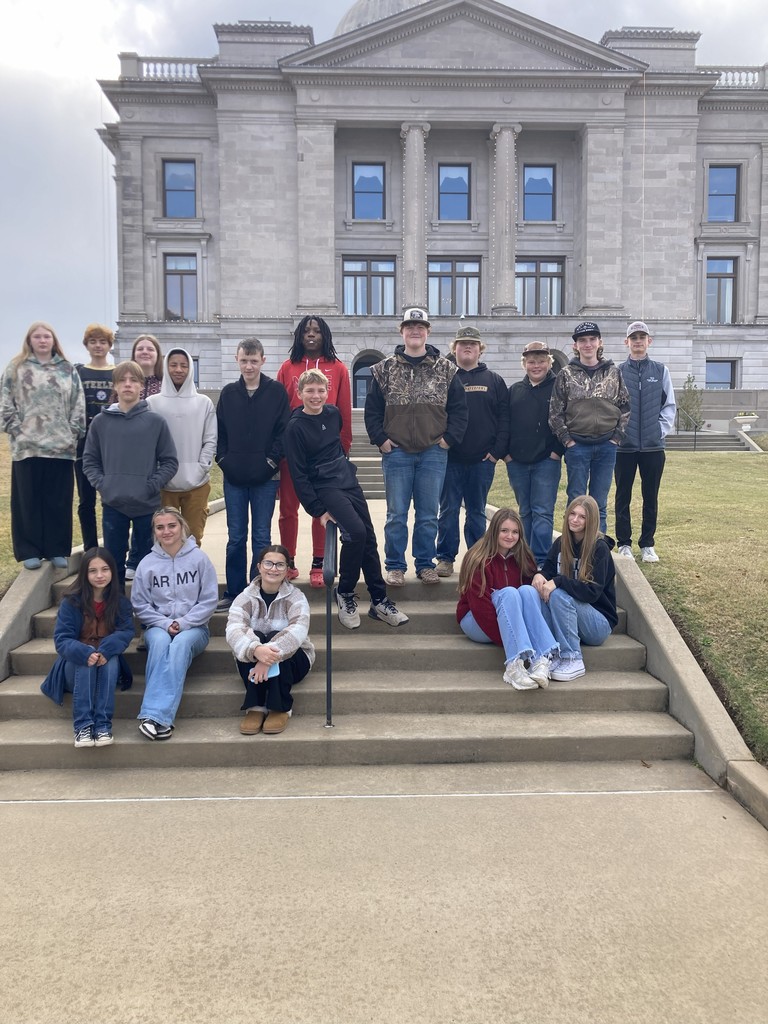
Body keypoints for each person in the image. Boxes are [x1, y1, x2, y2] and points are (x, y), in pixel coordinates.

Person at [284, 369, 408, 629]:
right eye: (310, 391)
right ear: (299, 393)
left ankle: (379, 600)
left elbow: (337, 445)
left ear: (327, 392)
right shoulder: (295, 427)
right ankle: (345, 593)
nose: (316, 396)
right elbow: (298, 474)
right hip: (325, 486)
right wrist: (317, 510)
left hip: (347, 479)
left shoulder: (333, 413)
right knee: (355, 533)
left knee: (369, 537)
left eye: (321, 390)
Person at [364, 307, 468, 586]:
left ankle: (424, 564)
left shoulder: (447, 369)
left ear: (428, 332)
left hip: (433, 452)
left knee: (428, 515)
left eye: (420, 326)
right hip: (396, 453)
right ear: (401, 331)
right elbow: (372, 411)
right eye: (409, 326)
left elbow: (460, 411)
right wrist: (381, 440)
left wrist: (447, 440)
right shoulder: (384, 369)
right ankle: (395, 566)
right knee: (396, 515)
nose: (415, 331)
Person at [83, 360, 178, 589]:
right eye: (122, 380)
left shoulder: (155, 422)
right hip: (113, 504)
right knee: (113, 564)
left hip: (147, 505)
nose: (128, 384)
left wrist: (151, 485)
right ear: (114, 386)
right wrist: (105, 485)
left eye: (133, 380)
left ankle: (148, 609)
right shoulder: (100, 422)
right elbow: (90, 461)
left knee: (149, 566)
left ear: (141, 386)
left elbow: (170, 461)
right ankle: (116, 608)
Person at [1, 321, 85, 570]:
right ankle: (30, 550)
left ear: (53, 340)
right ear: (29, 340)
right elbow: (5, 402)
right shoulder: (16, 368)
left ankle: (56, 549)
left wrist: (72, 433)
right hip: (28, 448)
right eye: (37, 336)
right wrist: (17, 431)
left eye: (46, 336)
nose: (42, 340)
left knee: (58, 502)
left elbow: (78, 403)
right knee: (28, 501)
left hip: (61, 448)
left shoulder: (67, 369)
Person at [277, 315, 352, 585]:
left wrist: (343, 450)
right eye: (307, 331)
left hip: (326, 457)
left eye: (317, 331)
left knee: (323, 509)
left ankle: (319, 562)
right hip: (293, 453)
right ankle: (288, 560)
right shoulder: (288, 367)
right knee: (288, 509)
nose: (311, 335)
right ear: (299, 335)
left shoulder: (338, 368)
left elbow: (344, 412)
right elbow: (279, 411)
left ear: (325, 335)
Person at [215, 337, 290, 610]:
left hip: (265, 479)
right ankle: (235, 591)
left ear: (262, 361)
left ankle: (257, 591)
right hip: (234, 478)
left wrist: (271, 462)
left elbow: (283, 432)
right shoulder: (228, 394)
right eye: (244, 360)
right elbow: (219, 433)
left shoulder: (276, 392)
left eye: (254, 361)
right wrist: (224, 460)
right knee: (236, 537)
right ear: (237, 360)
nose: (249, 366)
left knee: (261, 537)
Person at [131, 507, 218, 740]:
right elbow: (140, 604)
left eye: (172, 525)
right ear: (154, 532)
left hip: (195, 629)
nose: (166, 531)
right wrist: (163, 623)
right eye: (160, 527)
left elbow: (209, 600)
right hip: (157, 628)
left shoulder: (199, 559)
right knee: (160, 643)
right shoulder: (147, 563)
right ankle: (159, 721)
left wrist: (183, 623)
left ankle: (152, 716)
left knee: (179, 644)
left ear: (182, 527)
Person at [41, 548, 134, 748]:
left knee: (111, 659)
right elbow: (62, 639)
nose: (100, 575)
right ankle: (83, 726)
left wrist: (105, 650)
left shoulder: (120, 603)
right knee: (85, 660)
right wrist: (86, 653)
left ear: (112, 571)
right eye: (93, 571)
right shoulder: (71, 602)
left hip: (106, 669)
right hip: (74, 671)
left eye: (105, 569)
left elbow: (126, 632)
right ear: (84, 573)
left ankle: (103, 725)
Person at [435, 325, 509, 578]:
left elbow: (504, 419)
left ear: (480, 349)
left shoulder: (494, 381)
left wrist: (496, 452)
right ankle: (445, 558)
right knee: (448, 511)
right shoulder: (444, 378)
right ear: (454, 348)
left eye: (473, 344)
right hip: (450, 458)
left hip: (482, 460)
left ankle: (478, 560)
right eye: (462, 343)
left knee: (476, 512)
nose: (467, 347)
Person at [456, 508, 558, 690]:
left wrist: (539, 575)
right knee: (510, 593)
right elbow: (480, 608)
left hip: (512, 624)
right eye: (504, 530)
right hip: (475, 621)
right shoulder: (478, 558)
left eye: (515, 532)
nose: (510, 536)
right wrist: (512, 635)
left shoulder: (523, 556)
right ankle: (514, 666)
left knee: (527, 590)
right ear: (494, 530)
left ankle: (542, 660)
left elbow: (530, 604)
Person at [548, 321, 630, 534]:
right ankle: (571, 547)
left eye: (592, 339)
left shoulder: (614, 372)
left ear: (599, 342)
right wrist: (567, 441)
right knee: (575, 502)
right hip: (577, 447)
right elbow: (555, 412)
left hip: (607, 446)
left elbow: (625, 406)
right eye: (582, 340)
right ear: (575, 345)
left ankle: (597, 548)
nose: (588, 344)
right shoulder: (566, 374)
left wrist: (616, 438)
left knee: (599, 504)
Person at [225, 544, 315, 735]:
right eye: (268, 563)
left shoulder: (297, 597)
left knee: (275, 635)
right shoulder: (244, 597)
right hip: (253, 663)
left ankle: (279, 708)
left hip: (293, 663)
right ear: (259, 566)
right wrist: (256, 650)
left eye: (280, 565)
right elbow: (233, 629)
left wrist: (266, 659)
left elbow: (298, 631)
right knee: (254, 637)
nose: (273, 569)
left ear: (287, 570)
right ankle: (256, 707)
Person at [531, 495, 617, 681]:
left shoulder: (599, 548)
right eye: (572, 514)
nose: (575, 519)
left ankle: (573, 658)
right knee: (539, 591)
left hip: (598, 624)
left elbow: (592, 593)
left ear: (591, 520)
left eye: (582, 517)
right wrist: (540, 575)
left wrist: (559, 581)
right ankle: (552, 651)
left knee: (558, 594)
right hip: (572, 621)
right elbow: (548, 570)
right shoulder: (562, 542)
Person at [614, 321, 676, 564]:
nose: (638, 341)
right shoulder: (617, 371)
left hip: (653, 447)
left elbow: (669, 405)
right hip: (624, 447)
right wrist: (618, 433)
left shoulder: (661, 371)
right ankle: (624, 543)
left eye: (642, 337)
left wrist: (659, 431)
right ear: (627, 342)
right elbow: (611, 406)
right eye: (634, 337)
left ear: (649, 341)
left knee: (651, 497)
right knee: (623, 496)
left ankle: (647, 544)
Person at [147, 347, 217, 545]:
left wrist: (201, 467)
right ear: (166, 367)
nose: (178, 370)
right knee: (164, 540)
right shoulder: (152, 403)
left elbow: (210, 439)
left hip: (196, 483)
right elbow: (149, 442)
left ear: (190, 369)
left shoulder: (204, 403)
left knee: (193, 538)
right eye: (173, 365)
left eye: (184, 365)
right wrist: (157, 473)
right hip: (164, 484)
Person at [505, 341, 565, 568]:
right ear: (524, 364)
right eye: (531, 362)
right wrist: (507, 455)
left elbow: (567, 418)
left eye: (541, 361)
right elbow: (504, 423)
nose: (536, 366)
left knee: (542, 512)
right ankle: (525, 557)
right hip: (517, 462)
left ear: (549, 362)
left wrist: (557, 452)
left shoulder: (558, 388)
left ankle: (540, 560)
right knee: (525, 512)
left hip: (546, 462)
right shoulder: (514, 391)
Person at [124, 334, 164, 578]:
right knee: (131, 508)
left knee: (149, 512)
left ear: (158, 355)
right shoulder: (126, 383)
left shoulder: (164, 384)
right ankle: (133, 558)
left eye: (150, 348)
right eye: (140, 348)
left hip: (155, 457)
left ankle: (148, 558)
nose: (145, 352)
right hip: (129, 457)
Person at [75, 324, 115, 551]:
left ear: (109, 345)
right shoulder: (79, 373)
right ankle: (90, 549)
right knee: (86, 501)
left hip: (109, 447)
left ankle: (112, 549)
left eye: (102, 342)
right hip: (83, 445)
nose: (98, 346)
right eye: (93, 342)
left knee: (110, 499)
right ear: (87, 345)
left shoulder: (116, 372)